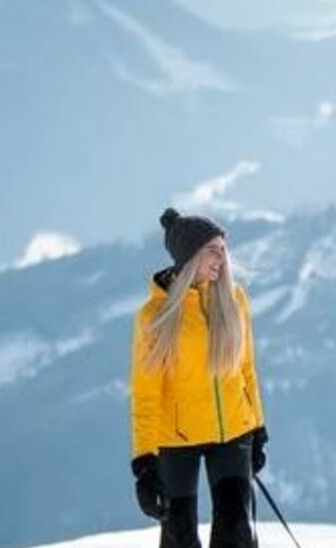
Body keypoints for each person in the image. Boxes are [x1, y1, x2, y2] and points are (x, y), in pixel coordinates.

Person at [129, 208, 269, 548]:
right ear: (190, 255)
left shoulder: (234, 300)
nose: (222, 257)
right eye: (212, 249)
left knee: (236, 535)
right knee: (179, 538)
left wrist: (257, 428)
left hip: (233, 432)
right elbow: (145, 393)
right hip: (176, 440)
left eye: (224, 248)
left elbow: (246, 369)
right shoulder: (155, 317)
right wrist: (145, 462)